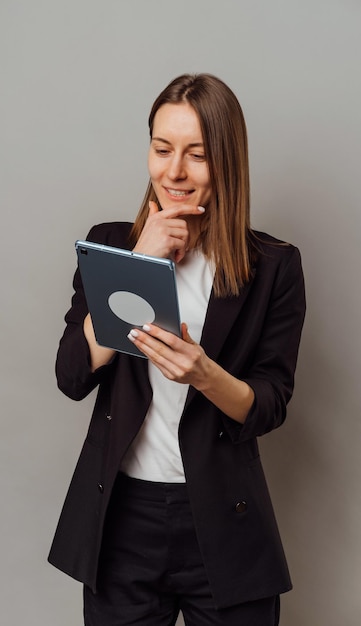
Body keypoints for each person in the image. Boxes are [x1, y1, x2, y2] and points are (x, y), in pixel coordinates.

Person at [48, 73, 306, 625]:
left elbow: (270, 404)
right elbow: (72, 376)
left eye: (197, 155)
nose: (174, 171)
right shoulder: (113, 245)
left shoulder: (274, 266)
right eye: (162, 149)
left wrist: (206, 374)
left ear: (227, 163)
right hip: (123, 520)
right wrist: (138, 262)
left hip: (224, 519)